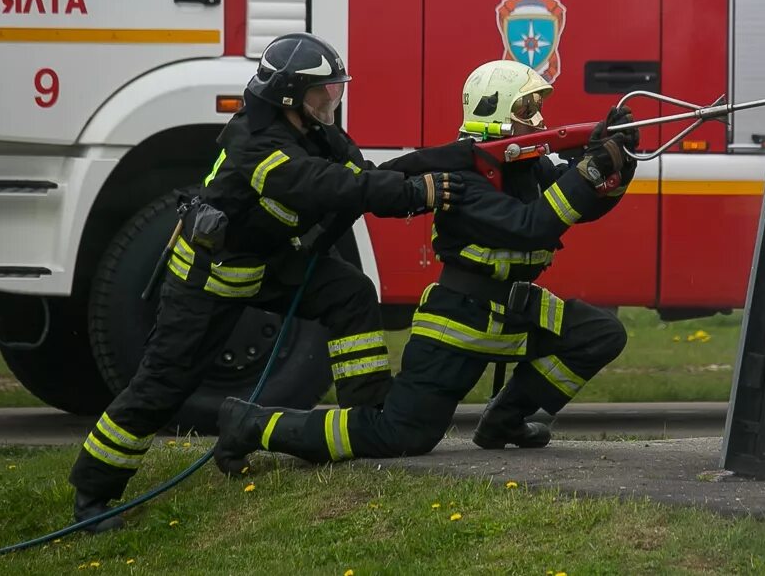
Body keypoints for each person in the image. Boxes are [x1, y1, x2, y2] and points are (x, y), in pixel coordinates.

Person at [68, 32, 466, 532]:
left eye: (334, 90)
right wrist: (414, 194)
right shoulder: (258, 146)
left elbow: (363, 173)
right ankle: (93, 496)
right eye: (323, 92)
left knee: (350, 293)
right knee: (162, 388)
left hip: (267, 265)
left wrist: (453, 159)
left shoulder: (313, 131)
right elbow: (330, 186)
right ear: (290, 96)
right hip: (207, 281)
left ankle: (368, 417)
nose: (331, 100)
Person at [212, 59, 635, 469]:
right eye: (528, 108)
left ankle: (504, 420)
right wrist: (589, 170)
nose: (538, 119)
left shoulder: (527, 166)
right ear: (496, 111)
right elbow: (532, 226)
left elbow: (583, 208)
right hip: (458, 327)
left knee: (600, 335)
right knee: (397, 435)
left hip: (516, 313)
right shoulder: (465, 177)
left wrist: (619, 166)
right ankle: (254, 424)